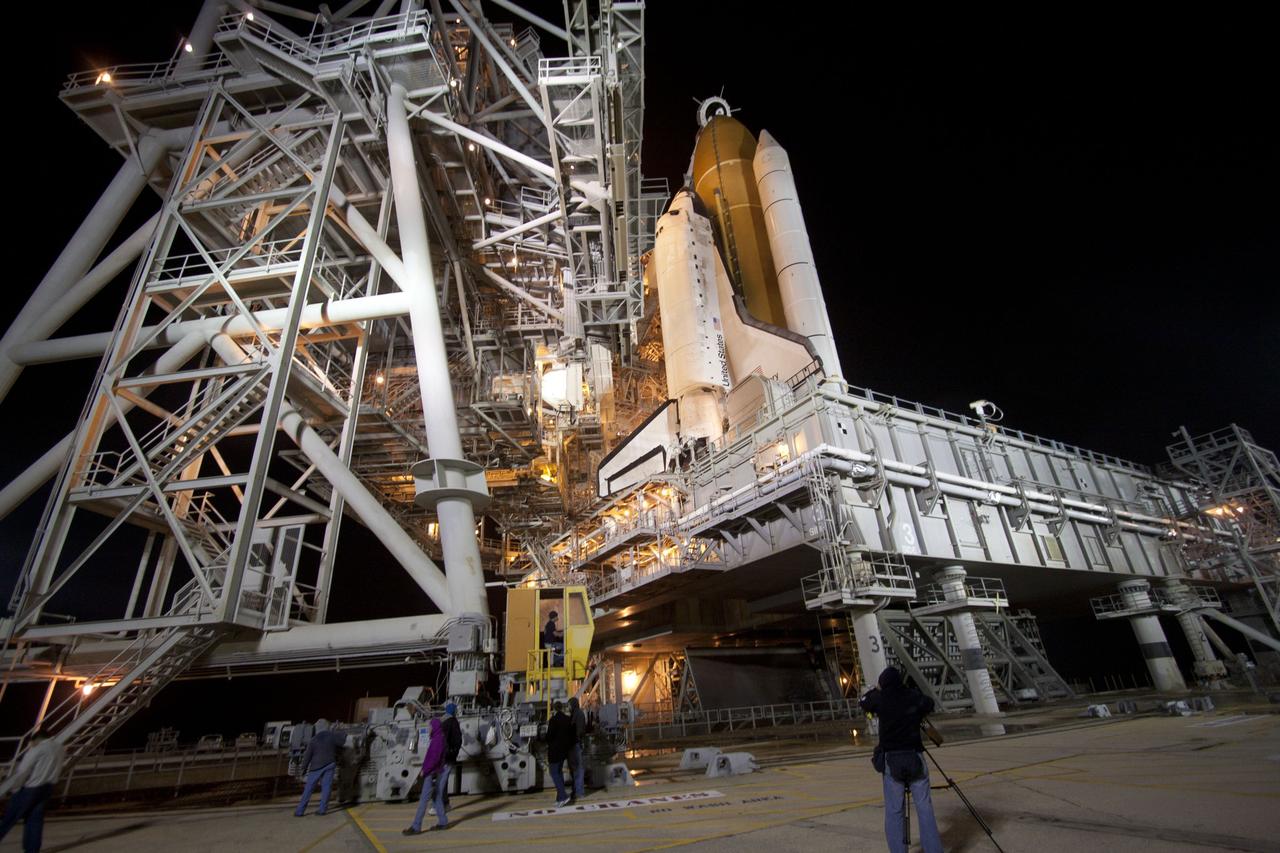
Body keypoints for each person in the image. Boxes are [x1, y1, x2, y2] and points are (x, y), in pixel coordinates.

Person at [859, 667, 943, 853]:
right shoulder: (912, 696)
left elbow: (863, 701)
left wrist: (876, 689)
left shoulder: (880, 698)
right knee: (924, 807)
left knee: (894, 810)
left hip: (892, 761)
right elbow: (930, 704)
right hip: (914, 756)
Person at [0, 729, 65, 853]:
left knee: (8, 819)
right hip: (47, 788)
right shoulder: (60, 748)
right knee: (34, 820)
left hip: (31, 788)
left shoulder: (38, 749)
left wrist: (15, 788)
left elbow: (23, 771)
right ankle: (32, 850)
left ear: (37, 740)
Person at [404, 718, 449, 834]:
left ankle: (416, 826)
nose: (429, 728)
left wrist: (425, 770)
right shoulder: (437, 738)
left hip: (432, 773)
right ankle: (443, 821)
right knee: (436, 797)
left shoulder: (437, 740)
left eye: (430, 726)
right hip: (434, 772)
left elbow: (434, 759)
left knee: (423, 800)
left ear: (435, 727)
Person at [294, 719, 342, 817]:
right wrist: (337, 730)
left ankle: (300, 811)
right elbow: (342, 741)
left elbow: (307, 756)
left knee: (308, 789)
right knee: (326, 787)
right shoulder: (332, 736)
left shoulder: (314, 739)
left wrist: (303, 768)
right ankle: (322, 809)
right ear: (327, 727)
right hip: (330, 764)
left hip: (316, 766)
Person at [544, 701, 575, 807]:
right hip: (564, 751)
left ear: (554, 709)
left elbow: (549, 736)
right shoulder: (567, 719)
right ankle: (559, 799)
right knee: (559, 773)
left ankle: (563, 796)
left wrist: (544, 737)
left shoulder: (553, 720)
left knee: (554, 773)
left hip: (554, 751)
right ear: (561, 708)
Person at [567, 696, 587, 801]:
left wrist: (576, 739)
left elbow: (579, 730)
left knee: (578, 768)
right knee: (575, 768)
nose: (568, 707)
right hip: (574, 744)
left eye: (569, 705)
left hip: (576, 744)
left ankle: (579, 792)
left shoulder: (578, 714)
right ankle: (576, 790)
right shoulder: (576, 714)